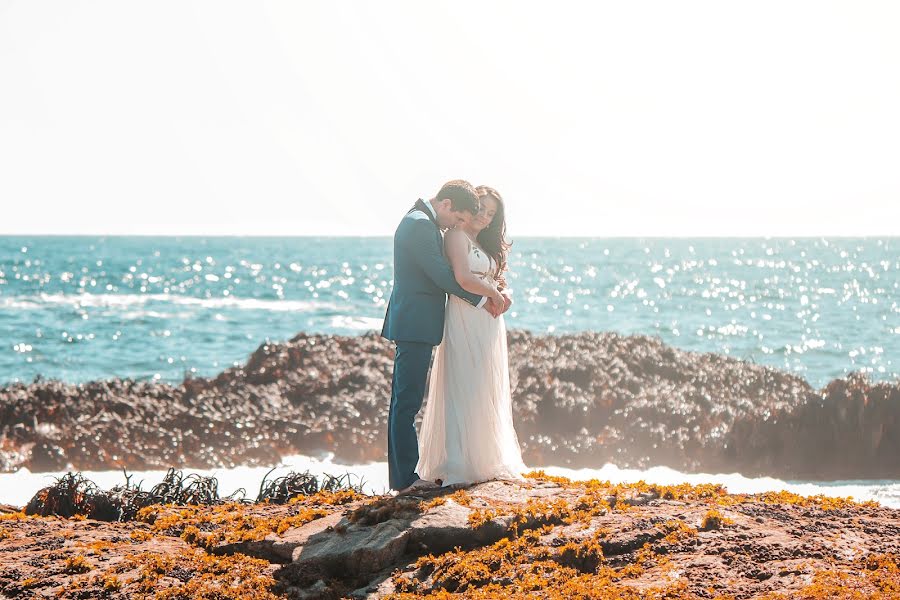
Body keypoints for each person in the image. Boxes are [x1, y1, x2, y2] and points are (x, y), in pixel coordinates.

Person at [381, 180, 506, 494]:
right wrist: (486, 296)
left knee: (404, 402)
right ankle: (405, 480)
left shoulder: (419, 221)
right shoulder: (419, 225)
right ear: (447, 204)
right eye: (458, 218)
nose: (457, 225)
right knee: (406, 403)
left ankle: (404, 477)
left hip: (417, 323)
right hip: (414, 324)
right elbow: (442, 275)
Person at [415, 185, 527, 487]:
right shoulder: (455, 236)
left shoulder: (483, 242)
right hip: (465, 316)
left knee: (483, 385)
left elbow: (496, 279)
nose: (485, 218)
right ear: (471, 205)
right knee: (463, 381)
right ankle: (459, 462)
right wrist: (493, 293)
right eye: (482, 210)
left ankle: (485, 459)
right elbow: (463, 278)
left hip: (489, 321)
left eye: (492, 214)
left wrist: (505, 294)